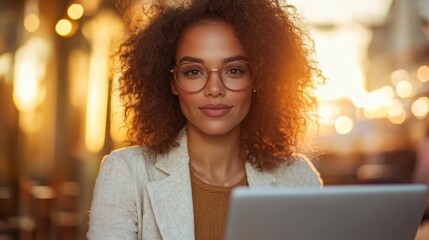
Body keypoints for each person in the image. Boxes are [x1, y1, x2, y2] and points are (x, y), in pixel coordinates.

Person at [87, 0, 324, 239]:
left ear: (258, 79)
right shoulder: (127, 173)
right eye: (193, 71)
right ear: (173, 83)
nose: (214, 89)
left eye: (234, 70)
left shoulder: (299, 177)